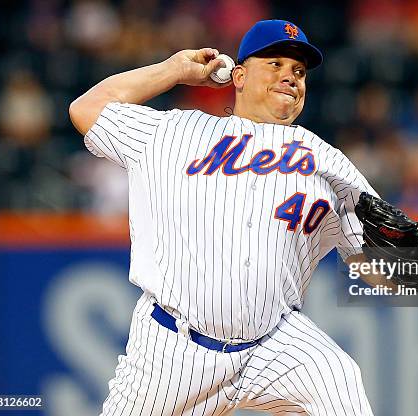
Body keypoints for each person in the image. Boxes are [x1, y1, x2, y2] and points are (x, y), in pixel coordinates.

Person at [70, 19, 380, 416]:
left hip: (273, 344)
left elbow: (385, 266)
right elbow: (85, 109)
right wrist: (176, 71)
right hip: (173, 350)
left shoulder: (326, 160)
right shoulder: (176, 132)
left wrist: (411, 261)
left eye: (299, 71)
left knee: (338, 380)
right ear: (239, 75)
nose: (290, 76)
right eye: (275, 64)